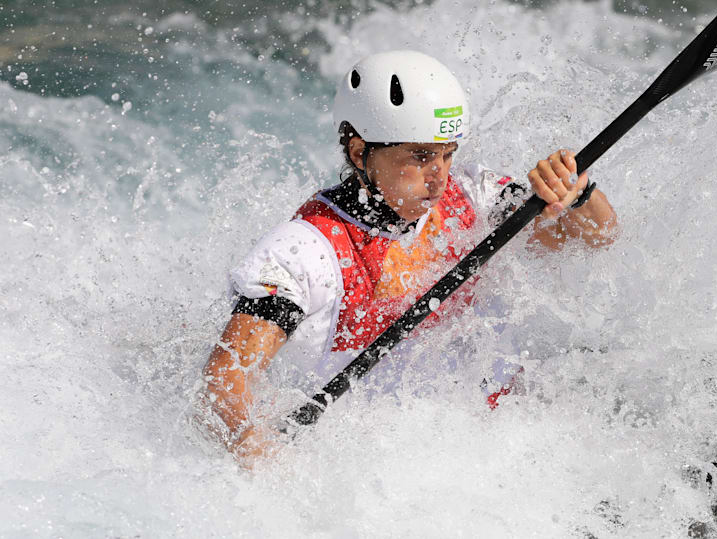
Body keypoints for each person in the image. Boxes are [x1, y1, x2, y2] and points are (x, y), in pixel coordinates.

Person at [202, 50, 618, 464]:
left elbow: (599, 236)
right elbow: (225, 378)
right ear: (360, 152)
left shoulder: (473, 196)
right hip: (385, 467)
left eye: (447, 153)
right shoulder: (304, 251)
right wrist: (252, 445)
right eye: (420, 157)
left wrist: (577, 195)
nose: (440, 176)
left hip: (504, 439)